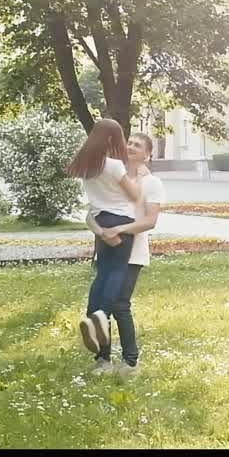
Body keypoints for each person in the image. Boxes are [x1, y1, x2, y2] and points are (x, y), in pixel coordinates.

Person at [66, 119, 141, 370]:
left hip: (100, 221)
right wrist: (136, 180)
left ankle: (95, 320)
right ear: (112, 139)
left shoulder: (86, 166)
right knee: (117, 271)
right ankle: (102, 314)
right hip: (120, 220)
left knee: (102, 273)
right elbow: (134, 196)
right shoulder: (113, 166)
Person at [90, 131, 166, 375]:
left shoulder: (152, 183)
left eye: (138, 145)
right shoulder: (113, 177)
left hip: (132, 252)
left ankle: (130, 362)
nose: (131, 146)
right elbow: (93, 213)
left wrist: (119, 229)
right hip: (106, 248)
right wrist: (104, 232)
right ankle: (103, 360)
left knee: (119, 304)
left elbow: (150, 221)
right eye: (129, 143)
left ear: (148, 154)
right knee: (98, 305)